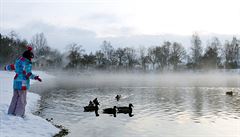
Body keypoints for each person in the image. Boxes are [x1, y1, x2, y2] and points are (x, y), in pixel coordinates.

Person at [4, 46, 42, 117]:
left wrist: (6, 67)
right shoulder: (26, 63)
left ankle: (11, 112)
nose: (31, 59)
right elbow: (28, 73)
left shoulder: (19, 61)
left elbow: (12, 66)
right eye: (31, 57)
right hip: (23, 83)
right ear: (28, 57)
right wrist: (35, 77)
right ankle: (19, 114)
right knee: (22, 100)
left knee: (15, 98)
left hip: (16, 82)